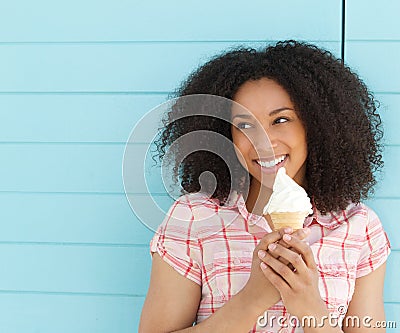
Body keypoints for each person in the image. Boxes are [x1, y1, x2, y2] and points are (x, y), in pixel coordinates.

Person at [139, 40, 391, 332]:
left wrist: (308, 305)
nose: (263, 141)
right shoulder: (193, 217)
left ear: (318, 124)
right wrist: (252, 299)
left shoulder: (359, 228)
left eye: (280, 120)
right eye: (245, 126)